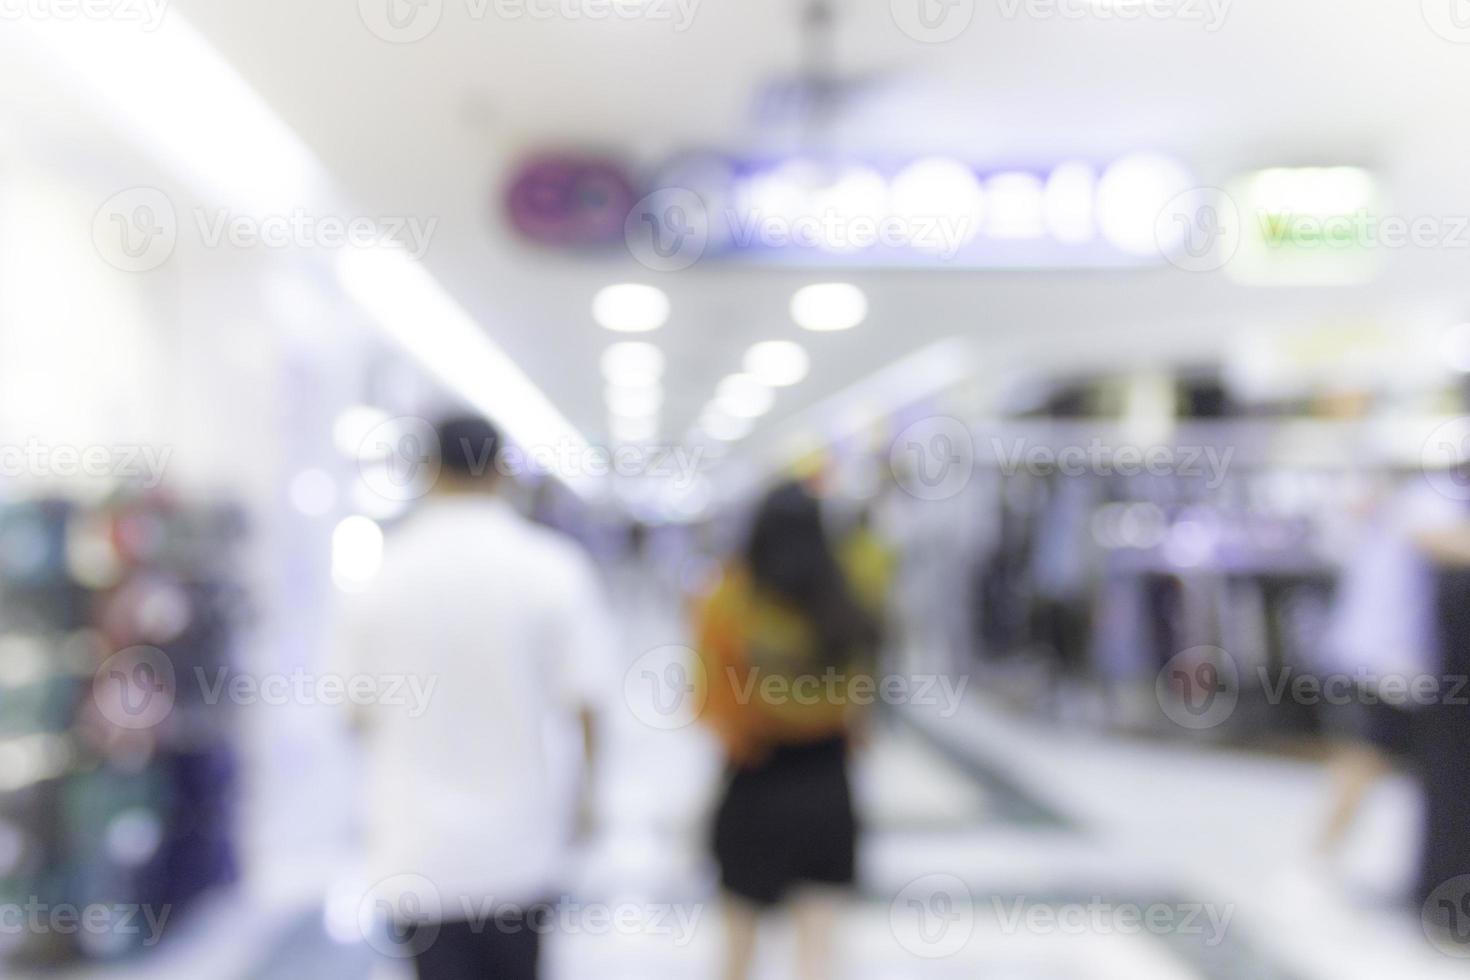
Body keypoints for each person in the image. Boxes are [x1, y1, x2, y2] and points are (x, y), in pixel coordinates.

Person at [336, 415, 611, 980]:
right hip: (520, 839)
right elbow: (586, 698)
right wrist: (585, 797)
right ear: (501, 469)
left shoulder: (383, 575)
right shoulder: (551, 568)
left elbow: (353, 712)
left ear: (429, 469)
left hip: (419, 844)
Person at [695, 481, 884, 980]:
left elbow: (709, 704)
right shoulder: (849, 601)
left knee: (736, 950)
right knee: (818, 952)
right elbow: (862, 707)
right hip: (827, 783)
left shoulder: (726, 600)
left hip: (754, 780)